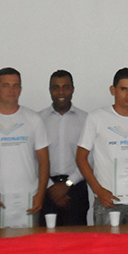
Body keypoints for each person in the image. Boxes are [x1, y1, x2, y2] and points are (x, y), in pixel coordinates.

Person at [76, 68, 128, 226]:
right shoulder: (97, 117)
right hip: (108, 200)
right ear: (113, 90)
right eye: (123, 89)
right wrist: (98, 190)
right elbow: (81, 158)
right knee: (108, 242)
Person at [0, 68, 49, 228]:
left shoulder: (34, 119)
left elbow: (44, 161)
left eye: (16, 86)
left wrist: (41, 194)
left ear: (20, 89)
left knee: (29, 243)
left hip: (30, 197)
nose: (11, 90)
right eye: (6, 85)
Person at [39, 70, 89, 226]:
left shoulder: (86, 120)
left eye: (66, 87)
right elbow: (33, 158)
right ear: (50, 90)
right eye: (56, 87)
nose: (61, 92)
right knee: (46, 238)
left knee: (76, 238)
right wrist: (51, 186)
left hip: (76, 189)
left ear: (72, 89)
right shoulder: (38, 120)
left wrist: (67, 184)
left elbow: (91, 158)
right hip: (46, 189)